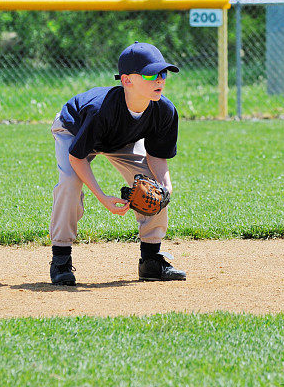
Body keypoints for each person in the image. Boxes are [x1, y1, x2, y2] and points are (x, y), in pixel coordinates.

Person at [48, 41, 186, 285]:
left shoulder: (164, 110)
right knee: (70, 181)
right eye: (151, 74)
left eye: (163, 73)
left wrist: (166, 186)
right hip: (74, 130)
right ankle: (61, 259)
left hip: (121, 139)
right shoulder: (100, 109)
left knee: (154, 188)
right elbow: (77, 157)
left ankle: (151, 261)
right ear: (126, 80)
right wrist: (102, 197)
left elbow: (156, 154)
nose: (160, 80)